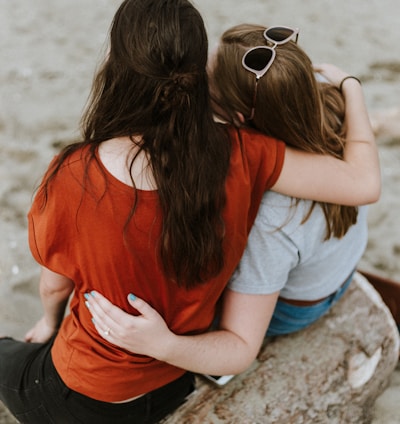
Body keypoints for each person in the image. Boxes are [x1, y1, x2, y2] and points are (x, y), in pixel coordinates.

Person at [0, 4, 379, 423]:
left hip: (90, 394)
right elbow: (361, 183)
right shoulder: (244, 151)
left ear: (115, 66)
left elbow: (55, 288)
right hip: (175, 381)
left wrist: (49, 324)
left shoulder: (72, 174)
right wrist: (350, 86)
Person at [84, 24, 379, 378]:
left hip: (296, 306)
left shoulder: (272, 215)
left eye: (204, 78)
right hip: (337, 267)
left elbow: (241, 347)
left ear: (238, 119)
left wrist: (163, 344)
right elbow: (365, 175)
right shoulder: (319, 97)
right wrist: (350, 86)